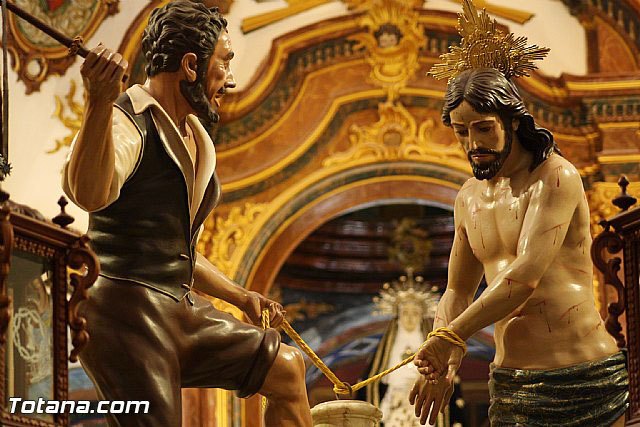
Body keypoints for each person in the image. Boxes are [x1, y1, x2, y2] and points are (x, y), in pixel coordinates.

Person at [61, 2, 312, 426]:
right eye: (225, 63)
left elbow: (176, 252)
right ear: (192, 66)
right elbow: (89, 194)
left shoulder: (194, 134)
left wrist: (241, 296)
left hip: (177, 309)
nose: (230, 80)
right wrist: (98, 103)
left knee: (285, 367)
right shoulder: (125, 123)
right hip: (124, 314)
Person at [409, 3, 628, 425]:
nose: (473, 144)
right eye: (461, 132)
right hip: (511, 385)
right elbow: (457, 290)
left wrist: (451, 335)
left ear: (512, 121)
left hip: (584, 377)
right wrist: (443, 360)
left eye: (484, 128)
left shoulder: (555, 177)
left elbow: (525, 276)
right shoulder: (469, 198)